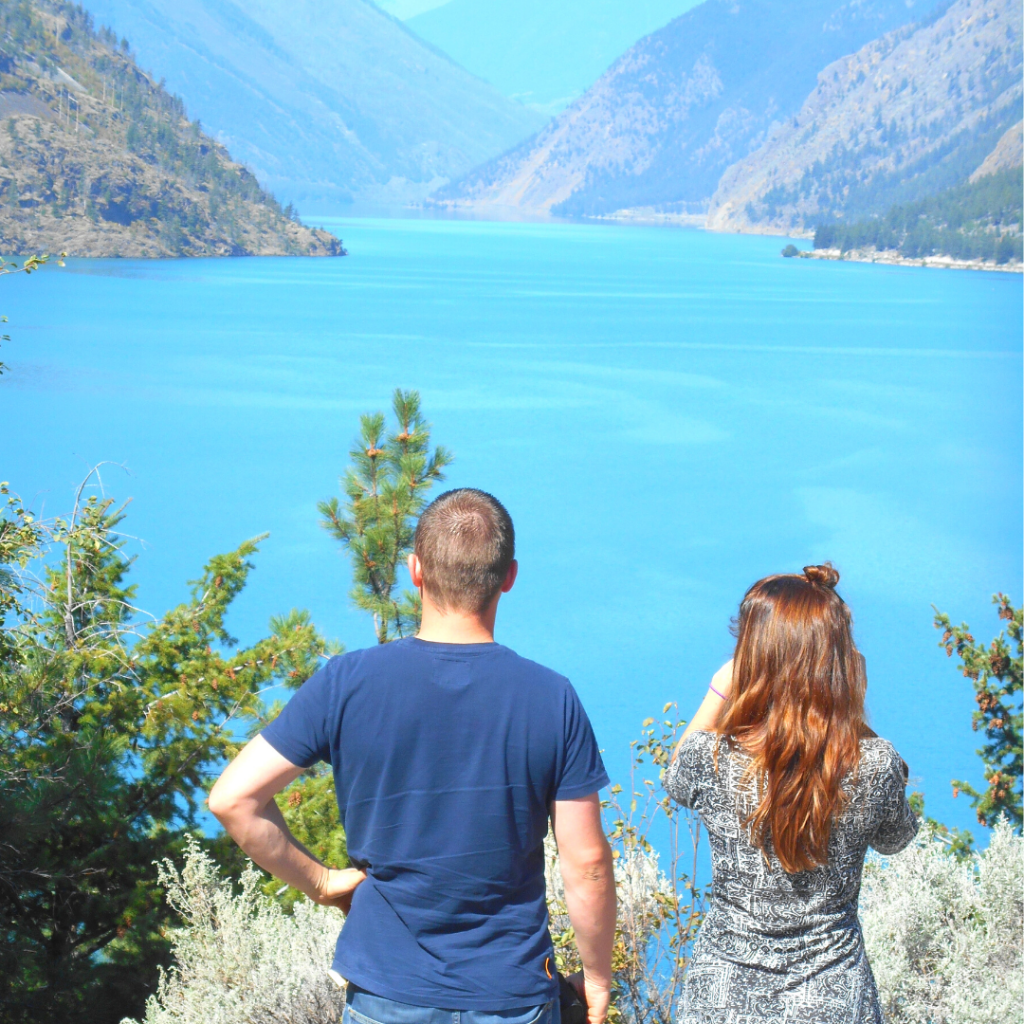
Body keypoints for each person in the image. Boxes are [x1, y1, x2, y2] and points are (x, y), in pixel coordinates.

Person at [209, 488, 616, 1024]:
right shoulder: (550, 696)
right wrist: (596, 979)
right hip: (510, 995)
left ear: (415, 570)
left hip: (386, 993)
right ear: (509, 576)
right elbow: (585, 864)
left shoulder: (347, 683)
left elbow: (234, 799)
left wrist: (324, 883)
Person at [664, 563, 918, 1024]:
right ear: (838, 661)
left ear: (751, 659)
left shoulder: (711, 757)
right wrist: (846, 713)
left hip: (721, 997)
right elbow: (896, 838)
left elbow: (675, 778)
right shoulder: (876, 763)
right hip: (832, 996)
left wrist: (721, 689)